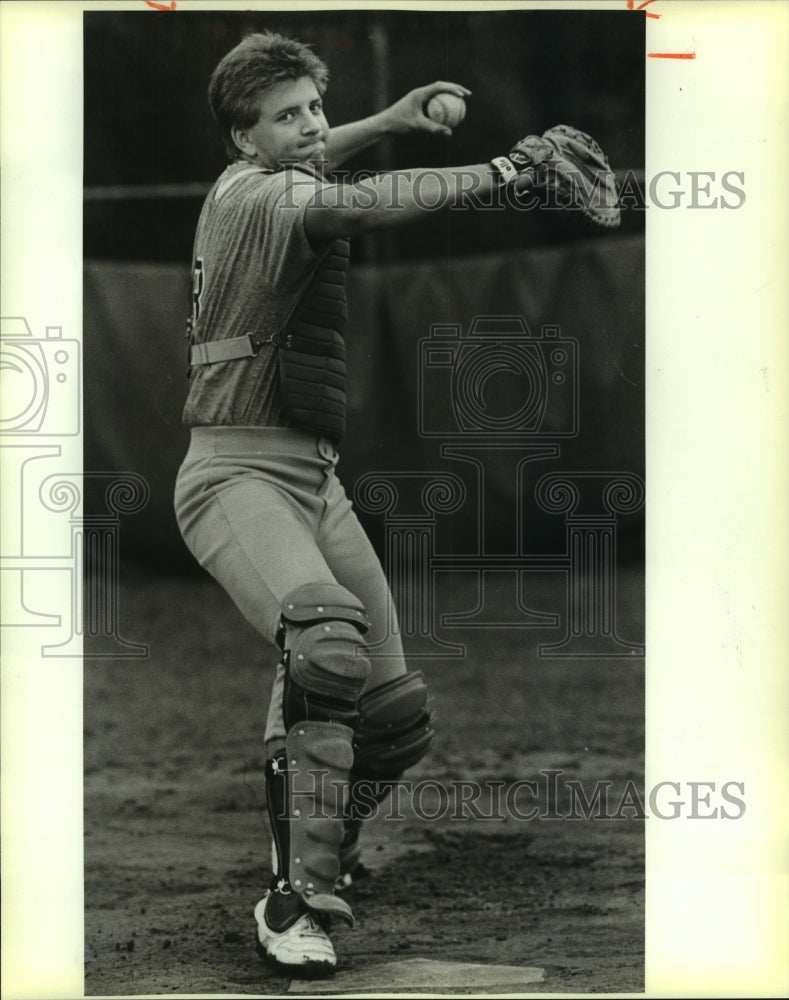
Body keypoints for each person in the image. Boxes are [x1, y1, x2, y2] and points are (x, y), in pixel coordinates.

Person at [174, 30, 616, 979]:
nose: (309, 127)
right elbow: (359, 206)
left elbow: (324, 161)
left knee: (394, 716)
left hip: (313, 482)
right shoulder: (259, 195)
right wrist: (504, 169)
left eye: (313, 108)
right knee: (325, 640)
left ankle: (312, 844)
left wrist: (384, 119)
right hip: (234, 476)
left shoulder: (273, 172)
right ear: (242, 140)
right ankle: (293, 898)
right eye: (284, 115)